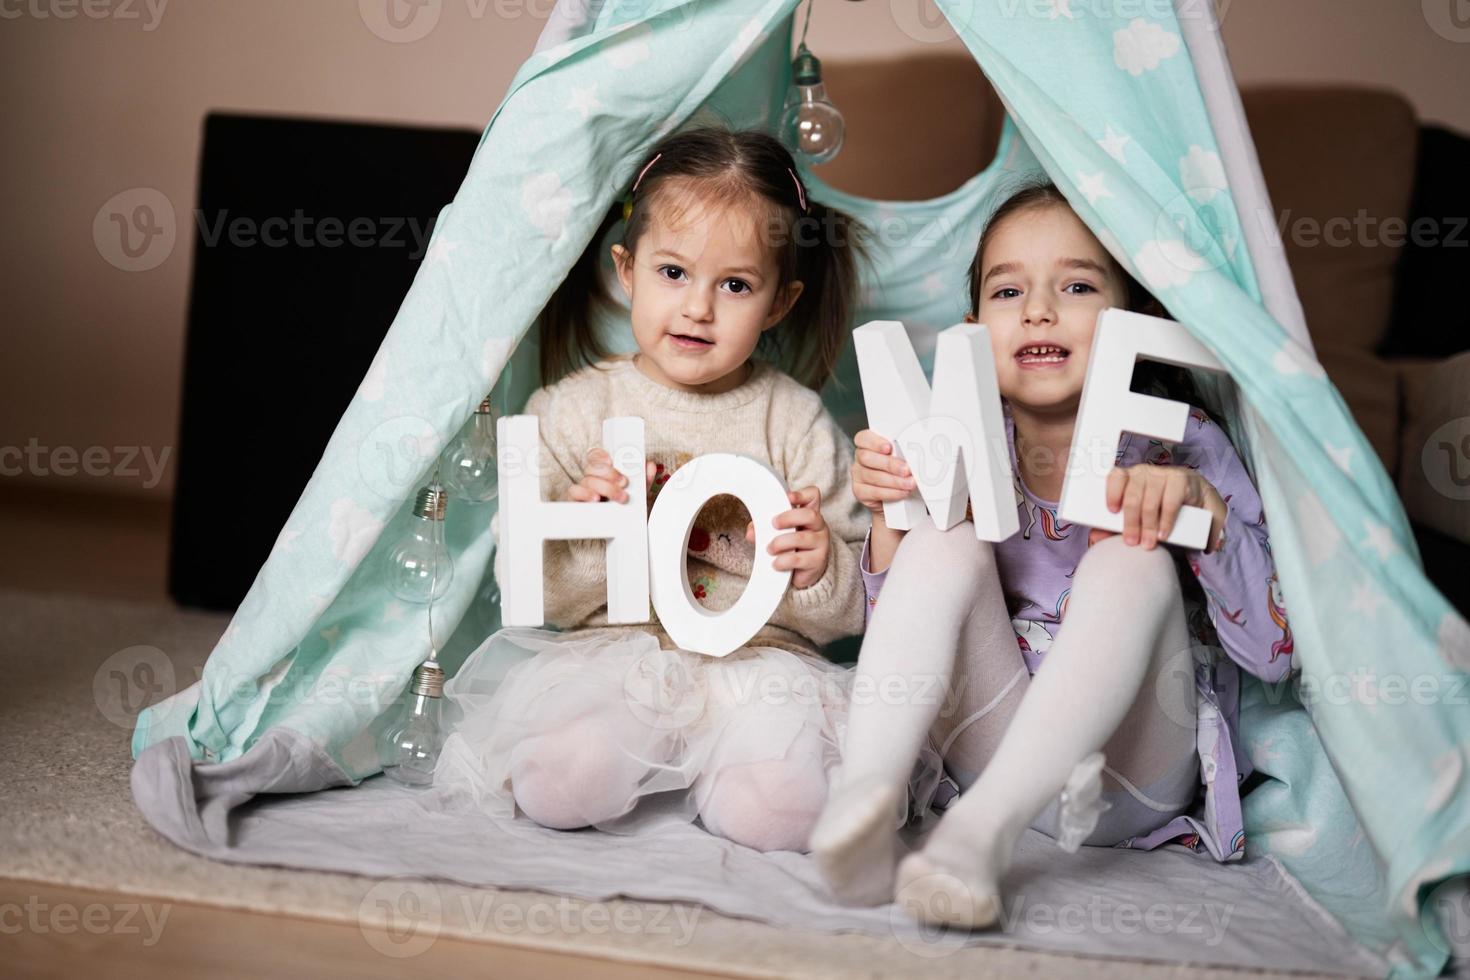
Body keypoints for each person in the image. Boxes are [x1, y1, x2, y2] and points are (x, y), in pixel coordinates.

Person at [434, 127, 941, 853]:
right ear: (626, 270)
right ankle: (654, 763)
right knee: (557, 783)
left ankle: (722, 774)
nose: (699, 307)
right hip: (614, 660)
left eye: (735, 284)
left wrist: (820, 564)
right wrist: (586, 528)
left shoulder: (793, 419)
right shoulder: (574, 410)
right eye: (673, 272)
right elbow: (532, 590)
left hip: (760, 666)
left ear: (777, 302)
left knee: (782, 814)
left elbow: (857, 610)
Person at [809, 183, 1294, 925]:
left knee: (1130, 556)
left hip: (1129, 774)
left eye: (1075, 285)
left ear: (1136, 321)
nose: (1039, 309)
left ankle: (980, 839)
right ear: (973, 330)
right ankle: (866, 800)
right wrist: (889, 519)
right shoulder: (962, 438)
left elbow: (1273, 653)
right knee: (943, 538)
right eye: (1010, 290)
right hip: (989, 745)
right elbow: (900, 639)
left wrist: (1202, 510)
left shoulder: (1180, 441)